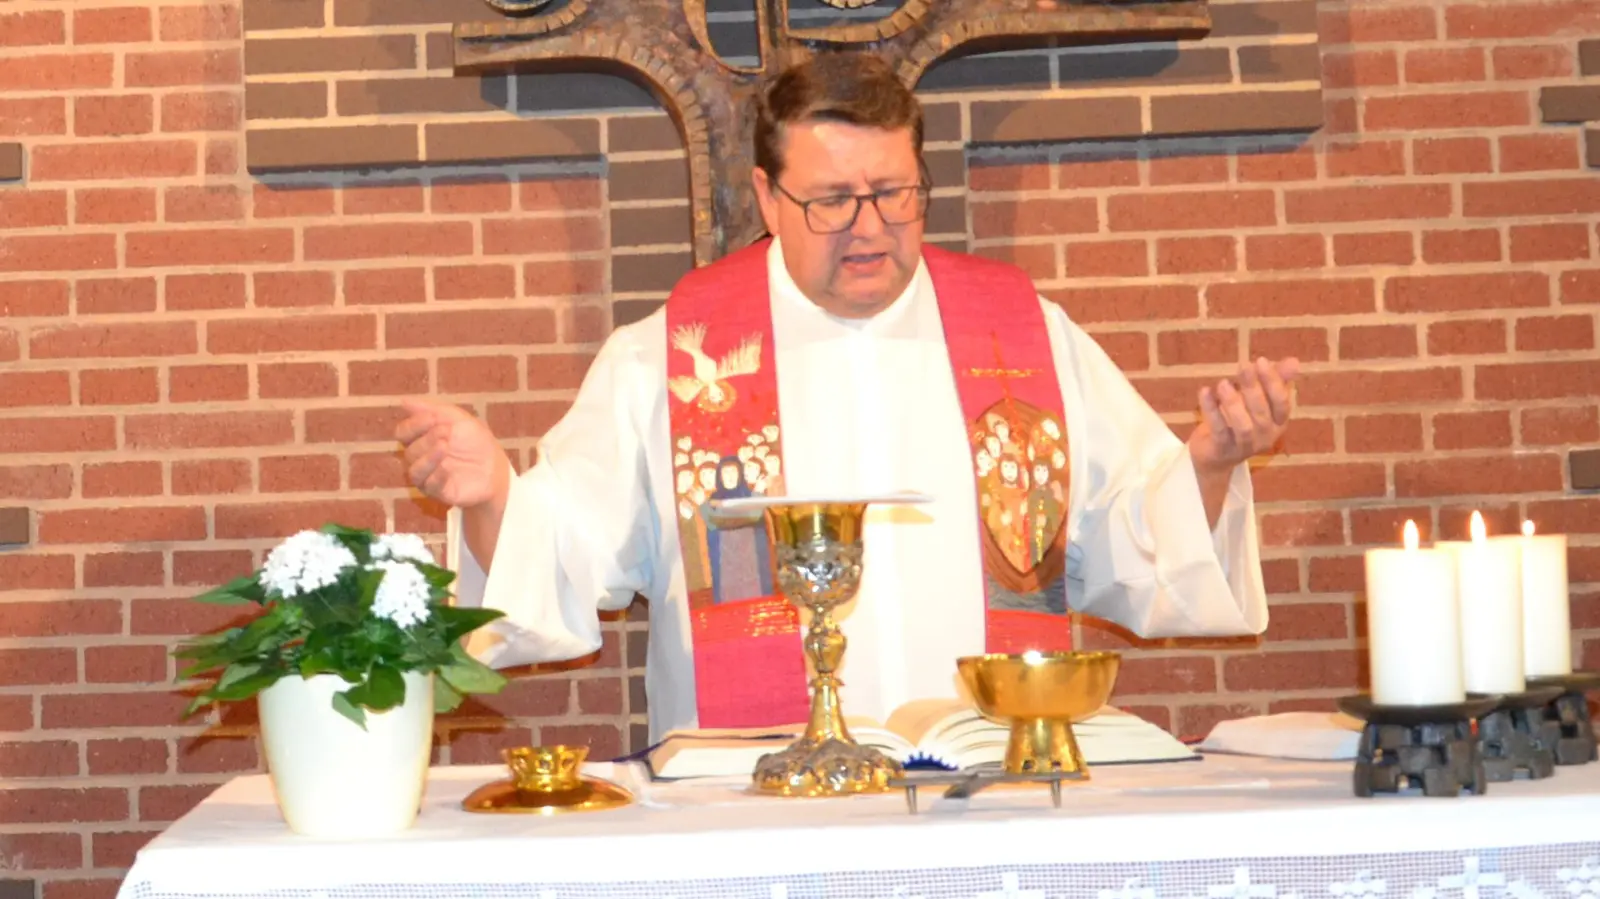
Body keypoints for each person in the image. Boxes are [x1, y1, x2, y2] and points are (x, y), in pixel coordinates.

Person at [396, 52, 1299, 746]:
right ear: (767, 195)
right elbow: (566, 552)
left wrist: (1208, 465)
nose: (869, 228)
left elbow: (1133, 539)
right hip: (755, 803)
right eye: (832, 200)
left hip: (990, 784)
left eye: (893, 193)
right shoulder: (669, 357)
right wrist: (497, 495)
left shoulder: (1026, 336)